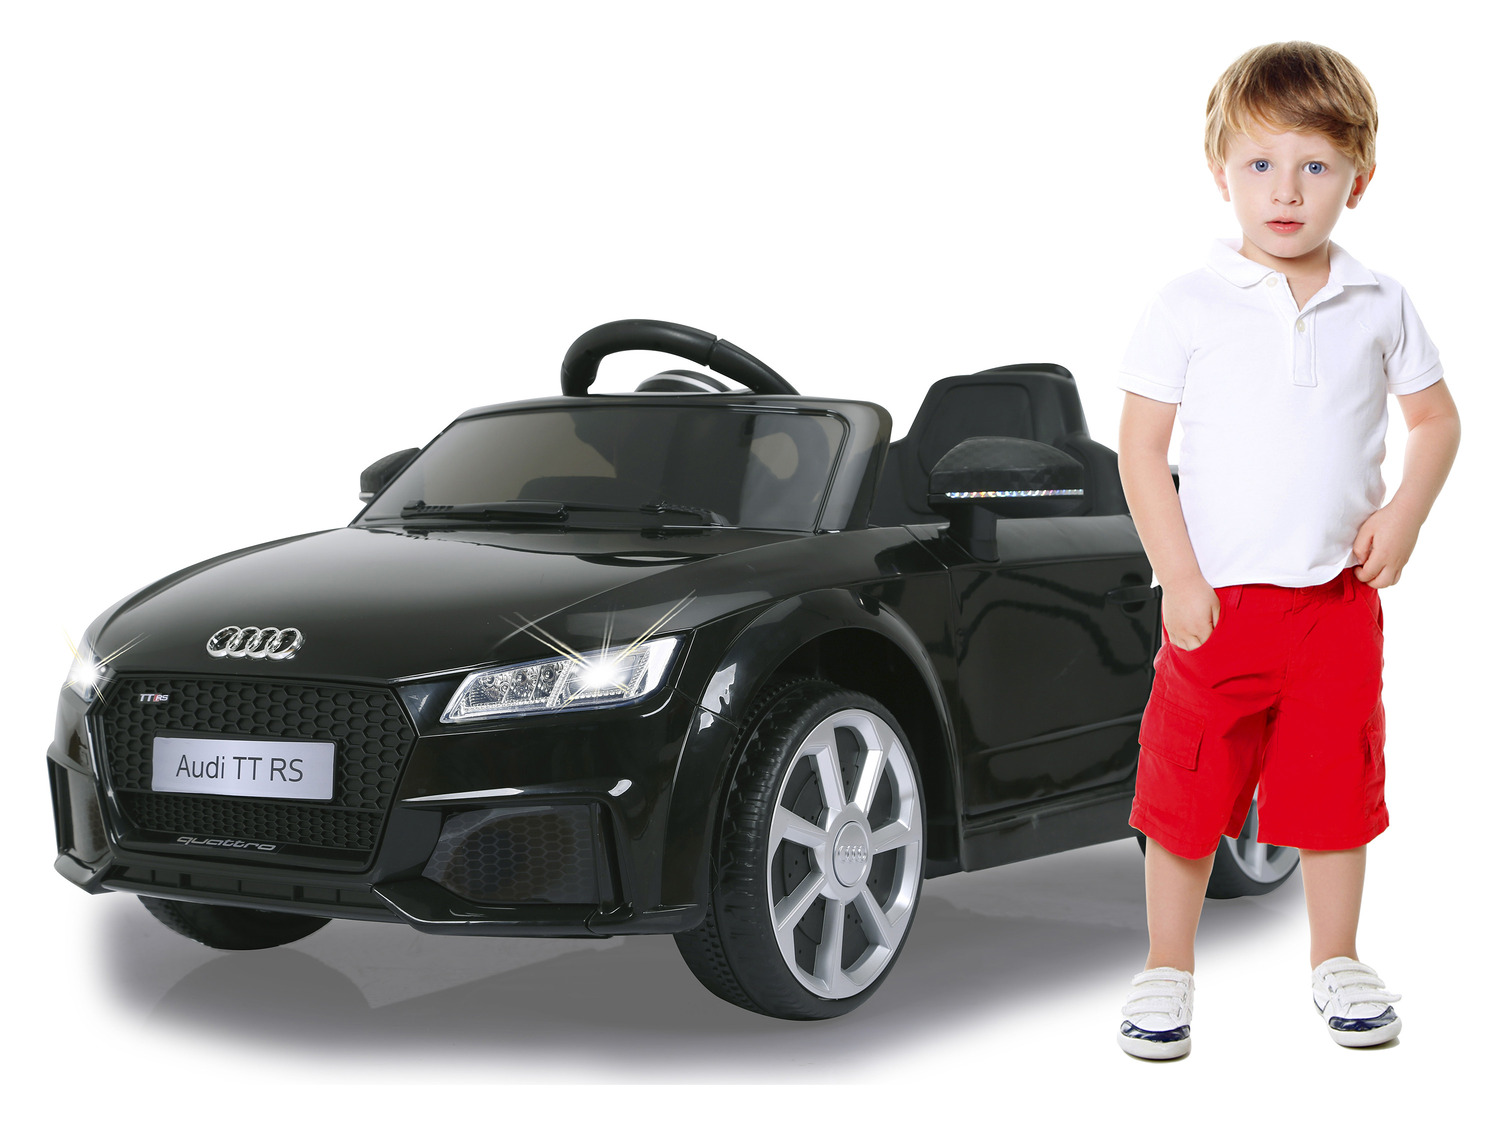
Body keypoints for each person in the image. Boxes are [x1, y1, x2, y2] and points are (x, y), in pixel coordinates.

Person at [1113, 41, 1461, 1060]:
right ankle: (1166, 967)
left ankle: (1337, 957)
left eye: (1315, 165)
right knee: (1185, 789)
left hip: (1335, 605)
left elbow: (1436, 421)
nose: (1287, 190)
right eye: (1261, 163)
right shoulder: (1188, 303)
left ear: (1360, 177)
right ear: (1218, 170)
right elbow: (1141, 449)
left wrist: (1404, 514)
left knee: (1335, 787)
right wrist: (1180, 576)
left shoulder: (1380, 301)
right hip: (1218, 605)